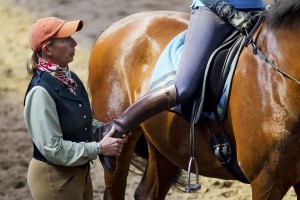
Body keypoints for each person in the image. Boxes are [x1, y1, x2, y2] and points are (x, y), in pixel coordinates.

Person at [99, 0, 266, 174]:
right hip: (215, 12)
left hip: (257, 13)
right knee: (183, 87)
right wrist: (226, 10)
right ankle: (116, 128)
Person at [24, 17, 128, 200]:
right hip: (54, 180)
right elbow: (52, 148)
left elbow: (81, 121)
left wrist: (106, 129)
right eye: (66, 39)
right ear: (48, 49)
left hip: (78, 175)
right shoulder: (40, 92)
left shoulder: (69, 77)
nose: (75, 43)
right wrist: (98, 148)